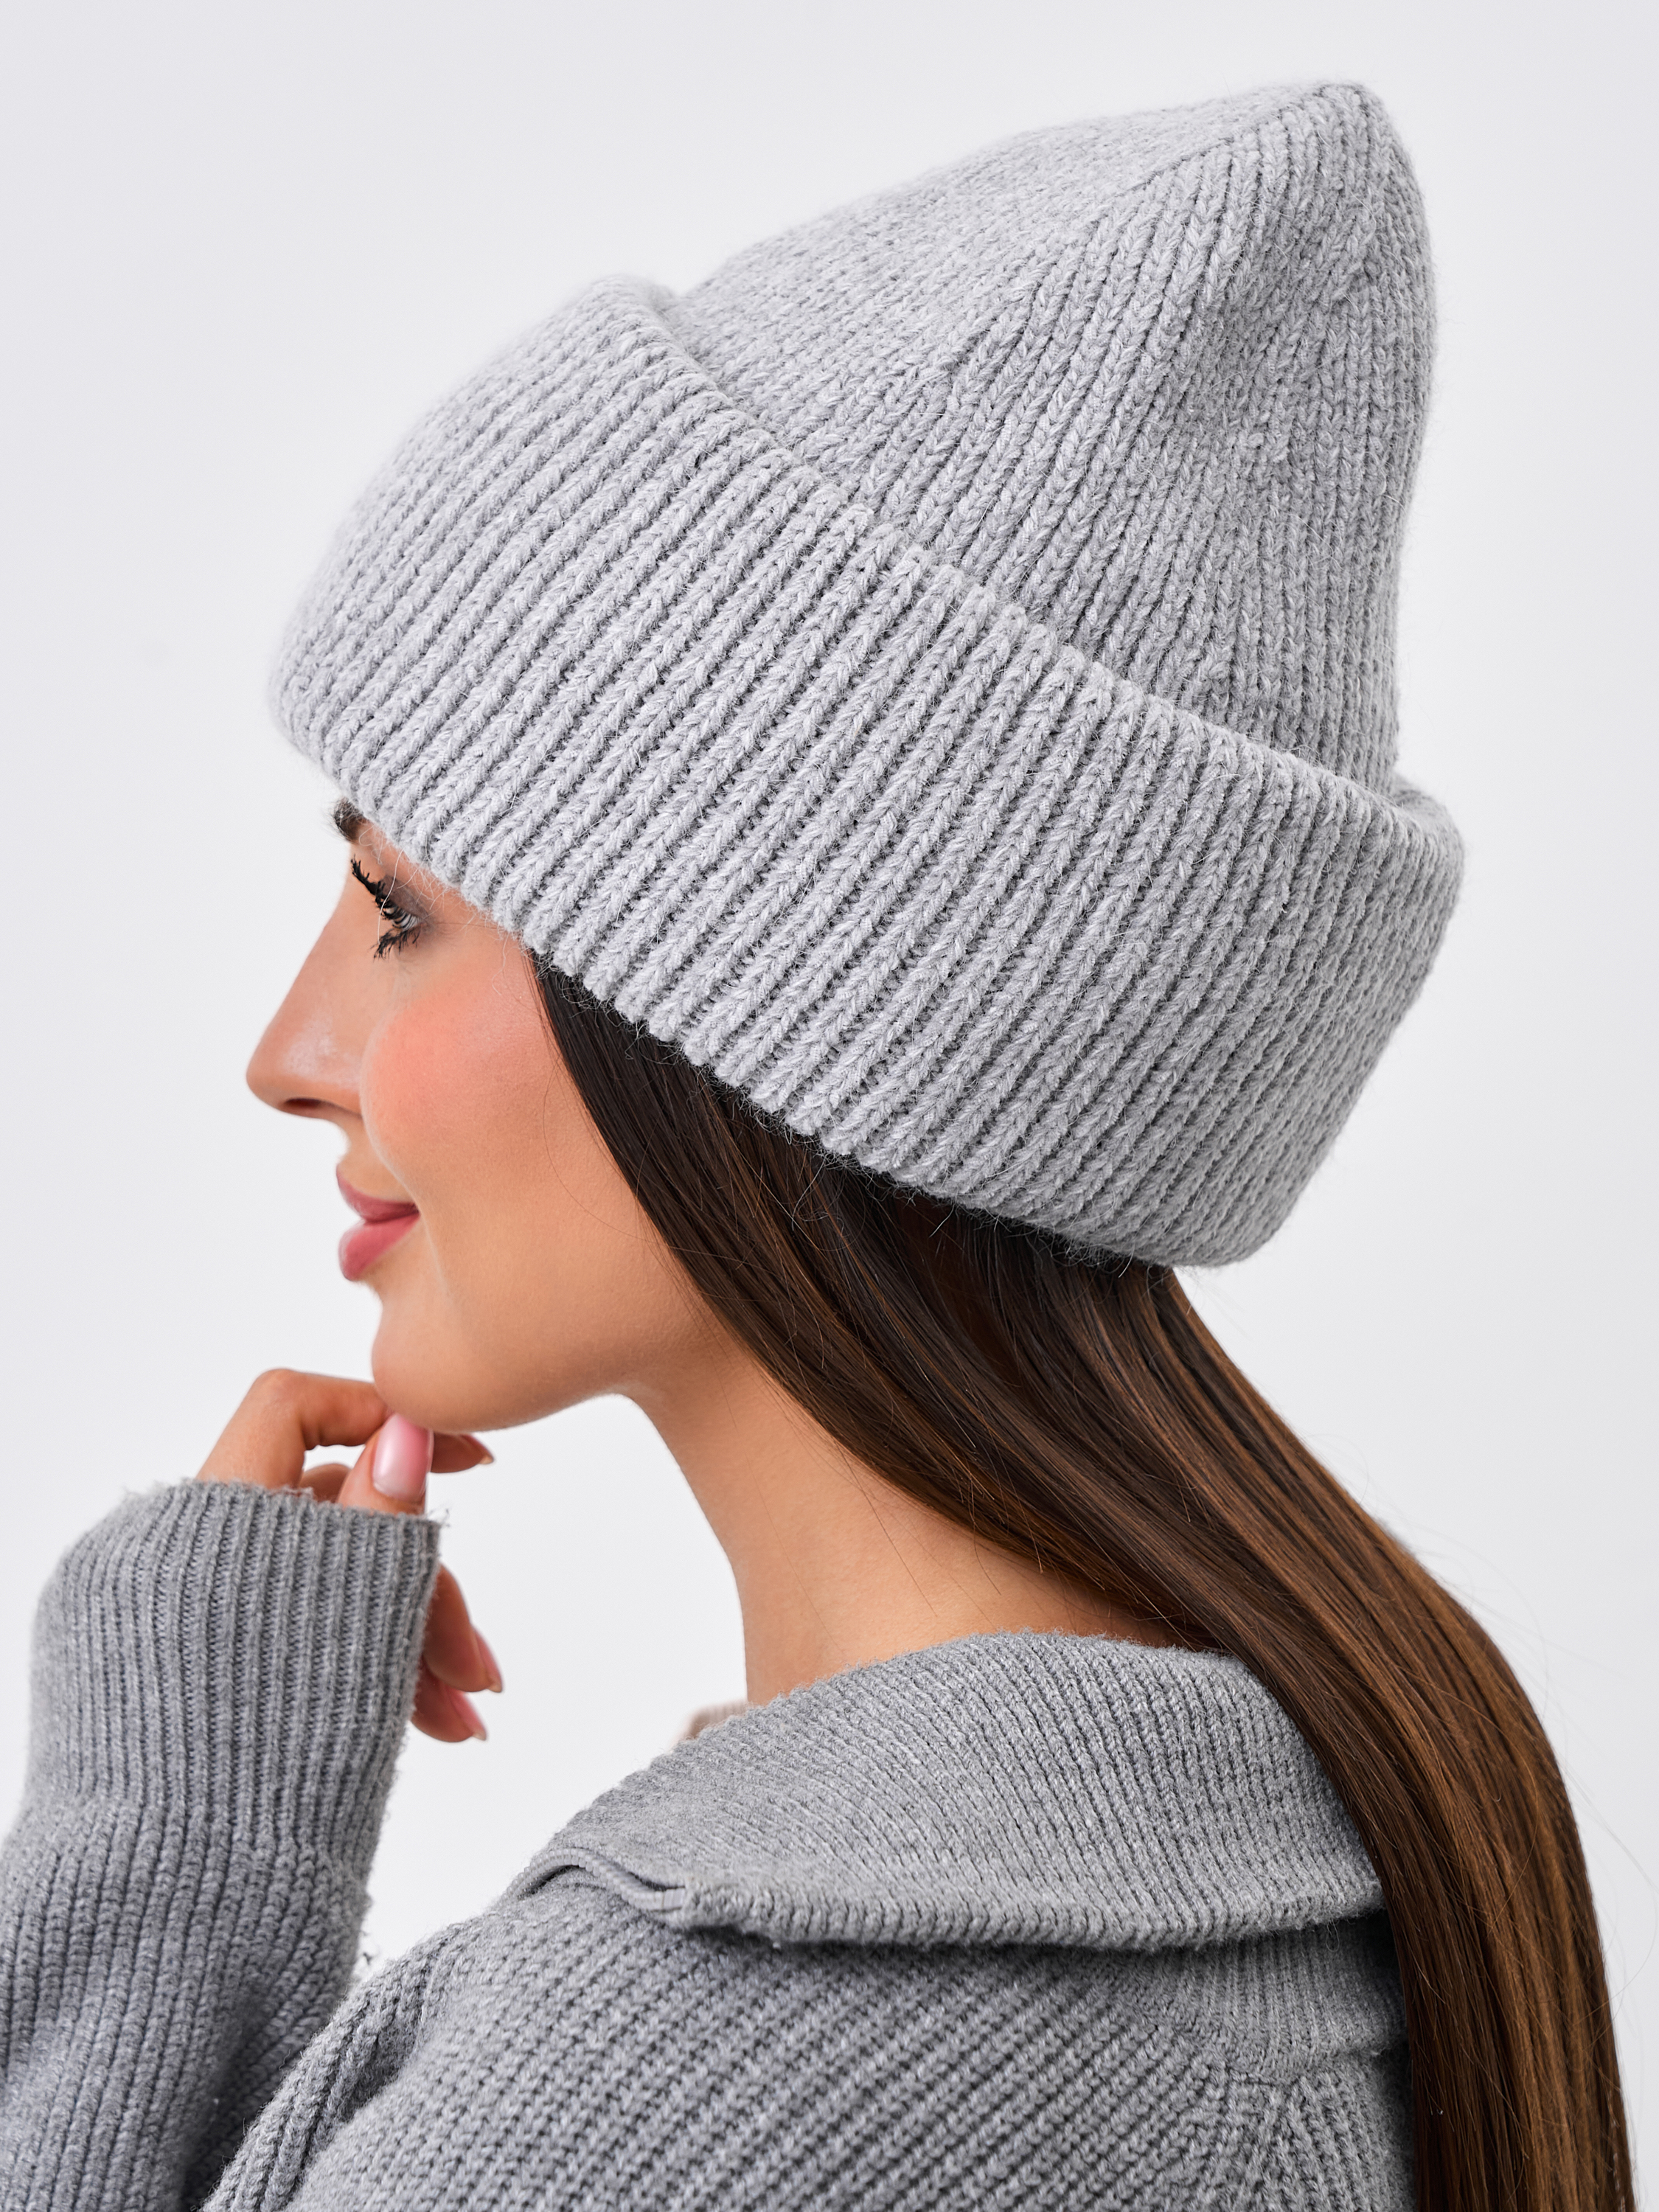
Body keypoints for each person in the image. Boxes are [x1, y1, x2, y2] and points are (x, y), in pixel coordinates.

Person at [0, 80, 1632, 2212]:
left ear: (804, 1018)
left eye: (401, 913)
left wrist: (168, 1848)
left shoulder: (689, 2094)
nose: (287, 1055)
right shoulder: (1285, 1870)